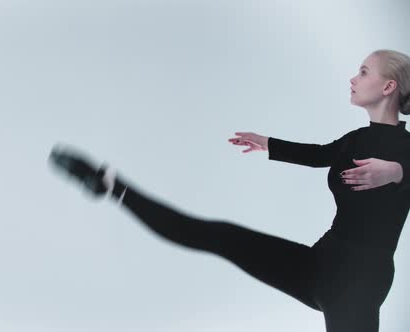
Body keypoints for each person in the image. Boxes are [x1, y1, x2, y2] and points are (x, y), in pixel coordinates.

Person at [48, 49, 410, 332]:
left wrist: (395, 172)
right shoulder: (356, 140)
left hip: (361, 276)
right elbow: (318, 156)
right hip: (321, 264)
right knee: (218, 235)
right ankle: (111, 185)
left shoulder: (405, 147)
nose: (352, 78)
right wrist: (266, 143)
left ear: (388, 86)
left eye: (363, 71)